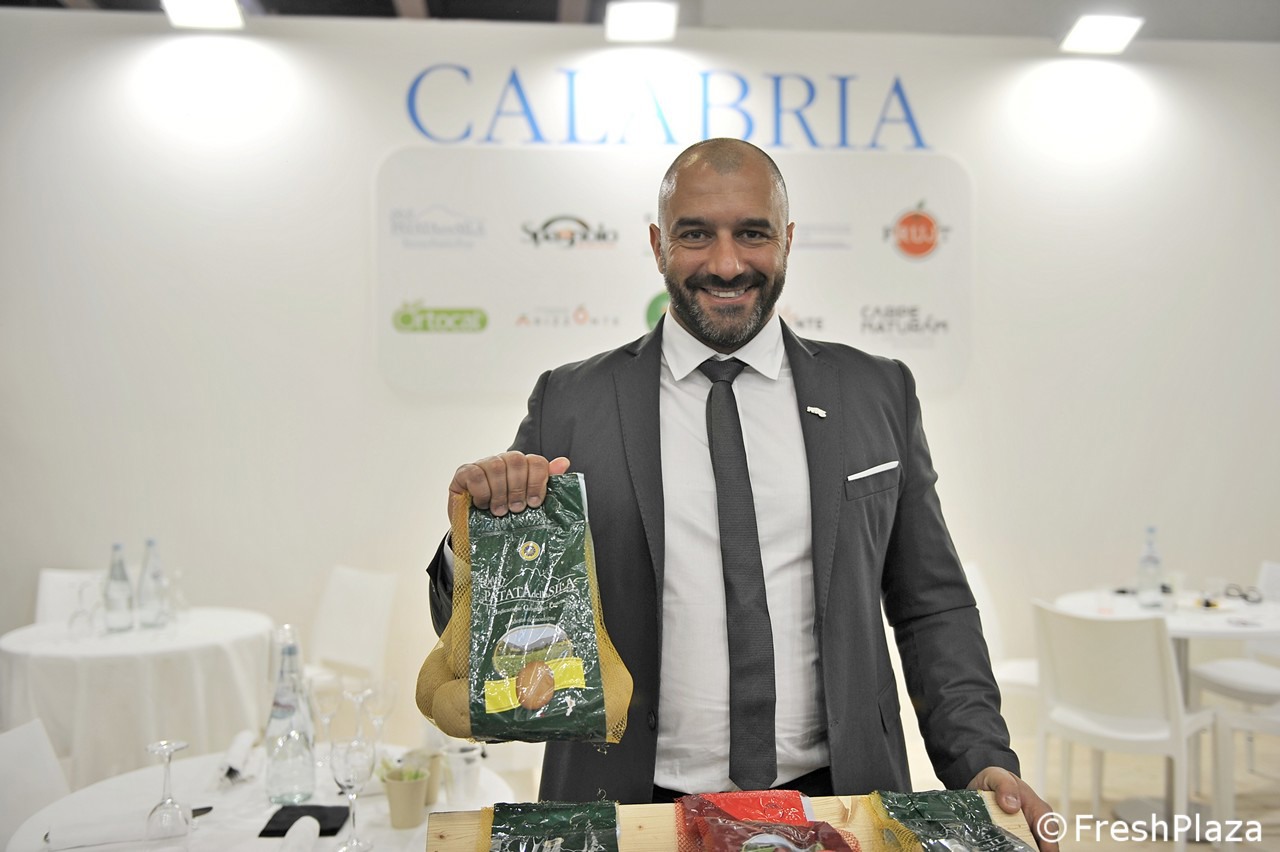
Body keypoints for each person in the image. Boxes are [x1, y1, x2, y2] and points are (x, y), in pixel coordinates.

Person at [424, 138, 1057, 849]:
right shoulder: (571, 402)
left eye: (752, 233)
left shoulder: (876, 393)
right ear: (658, 245)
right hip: (631, 804)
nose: (727, 264)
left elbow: (930, 604)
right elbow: (485, 630)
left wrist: (979, 758)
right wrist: (471, 543)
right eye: (696, 235)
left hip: (841, 798)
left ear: (787, 240)